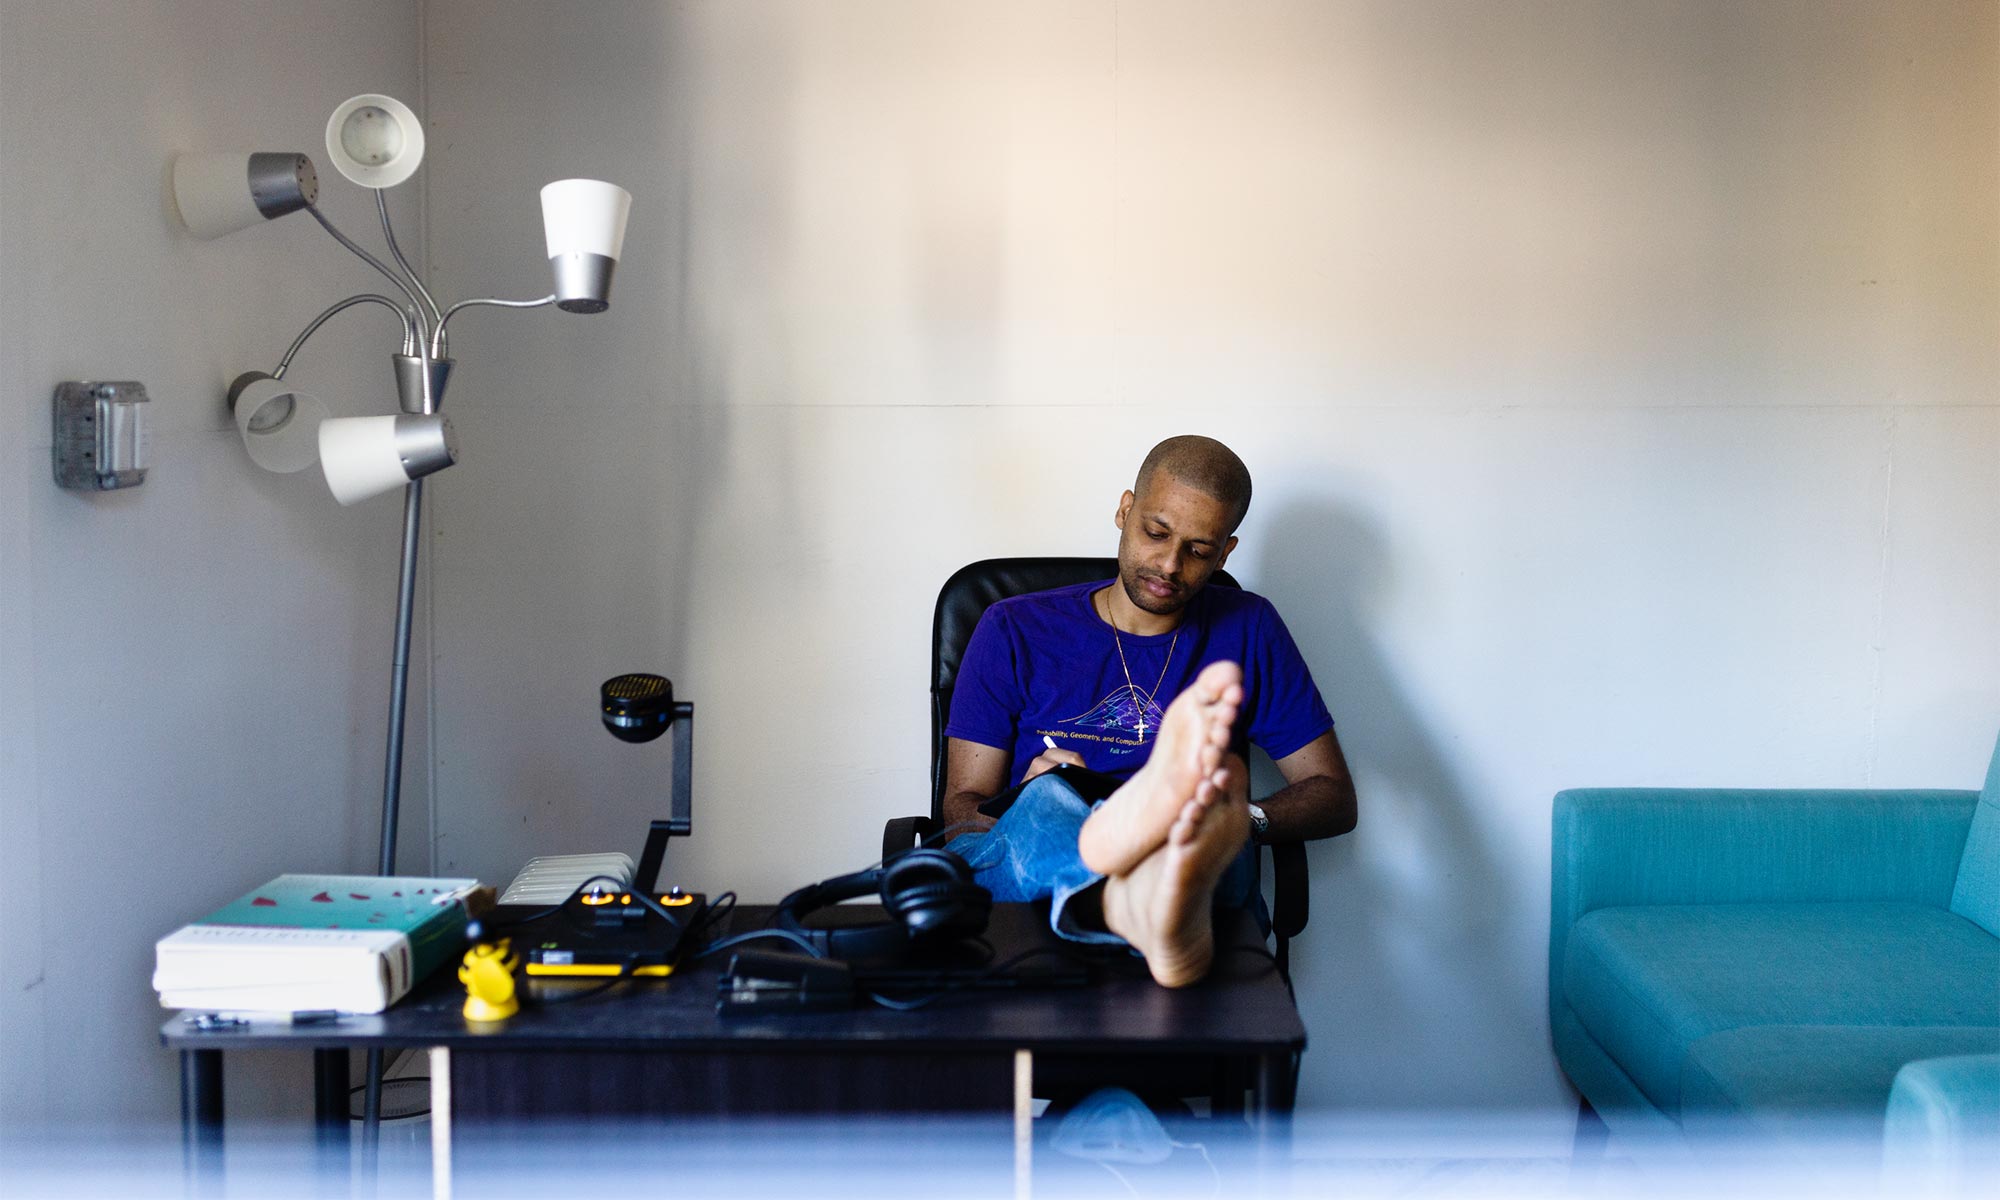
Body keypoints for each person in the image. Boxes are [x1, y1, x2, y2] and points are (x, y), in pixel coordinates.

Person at [941, 436, 1357, 986]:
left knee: (1211, 827)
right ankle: (1131, 886)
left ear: (1226, 552)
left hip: (1186, 862)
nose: (1168, 563)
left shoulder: (1249, 628)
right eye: (1156, 533)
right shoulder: (1012, 627)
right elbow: (960, 812)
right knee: (1049, 800)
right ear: (1124, 509)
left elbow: (1332, 794)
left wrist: (1240, 820)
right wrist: (1026, 802)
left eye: (1199, 550)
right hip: (1037, 871)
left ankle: (1149, 862)